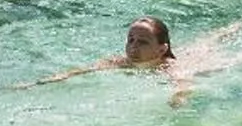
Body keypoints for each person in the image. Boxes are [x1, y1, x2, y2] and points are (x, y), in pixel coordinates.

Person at [24, 16, 173, 87]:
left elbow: (183, 84)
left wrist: (178, 97)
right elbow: (80, 71)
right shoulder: (119, 62)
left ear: (162, 49)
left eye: (143, 42)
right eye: (131, 40)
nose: (134, 47)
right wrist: (38, 83)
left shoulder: (168, 68)